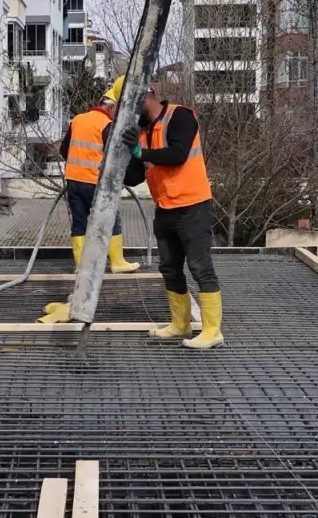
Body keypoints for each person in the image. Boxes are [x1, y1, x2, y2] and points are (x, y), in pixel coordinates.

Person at [124, 84, 223, 349]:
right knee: (169, 268)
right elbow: (134, 177)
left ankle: (212, 331)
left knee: (200, 268)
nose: (130, 111)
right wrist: (117, 158)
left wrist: (139, 153)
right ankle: (180, 324)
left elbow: (178, 155)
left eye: (131, 103)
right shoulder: (142, 131)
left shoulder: (180, 117)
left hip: (193, 206)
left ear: (146, 97)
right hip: (165, 208)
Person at [58, 74, 140, 274]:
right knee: (111, 219)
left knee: (79, 223)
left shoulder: (78, 119)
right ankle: (118, 262)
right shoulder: (106, 125)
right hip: (95, 182)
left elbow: (63, 150)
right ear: (111, 107)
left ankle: (81, 266)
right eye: (115, 110)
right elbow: (115, 156)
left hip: (73, 181)